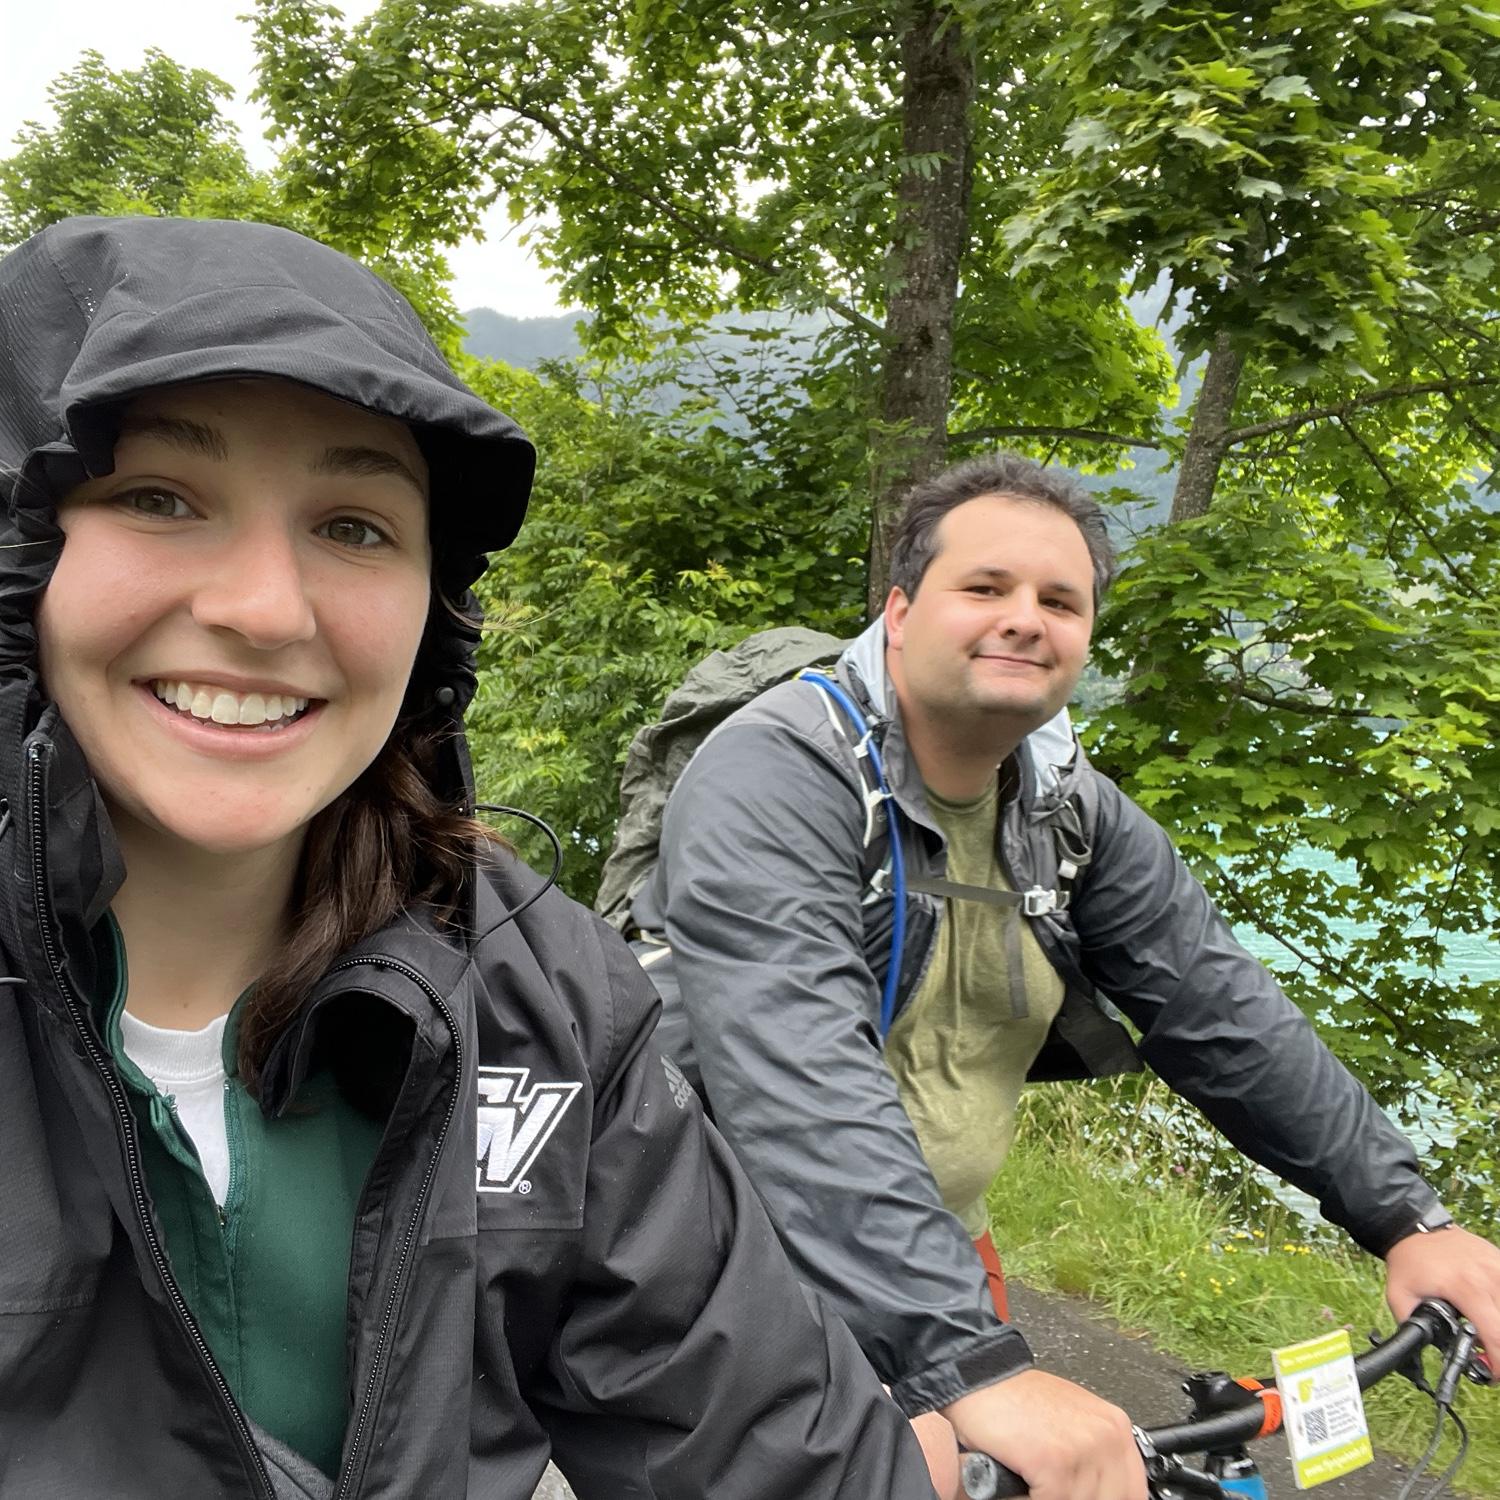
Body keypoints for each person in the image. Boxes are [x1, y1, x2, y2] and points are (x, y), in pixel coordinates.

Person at [0, 215, 943, 1500]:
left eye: (355, 527)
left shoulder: (538, 996)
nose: (265, 609)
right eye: (158, 499)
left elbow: (778, 1447)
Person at [622, 453, 1500, 1500]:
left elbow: (1222, 1011)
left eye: (1060, 600)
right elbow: (799, 1076)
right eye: (985, 587)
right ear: (899, 613)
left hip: (928, 1249)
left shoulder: (1065, 808)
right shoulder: (775, 770)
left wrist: (1410, 1220)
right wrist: (964, 1362)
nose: (1025, 619)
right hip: (722, 1259)